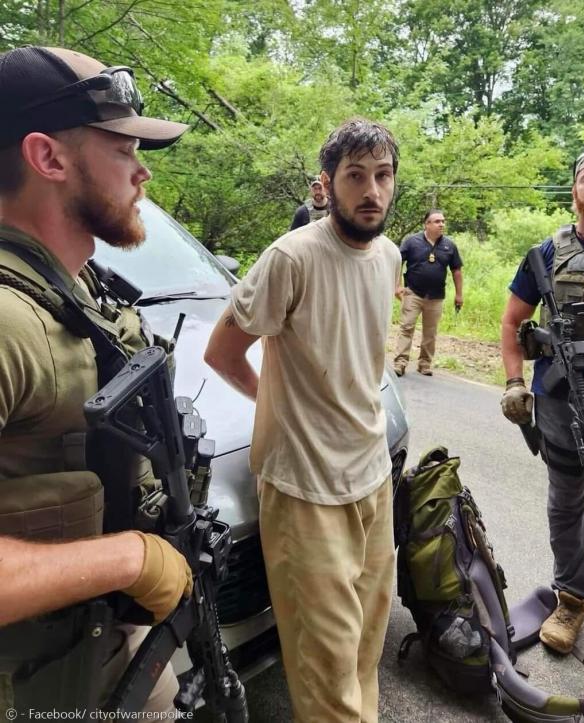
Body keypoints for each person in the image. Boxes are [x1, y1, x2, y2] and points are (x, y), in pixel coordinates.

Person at [0, 46, 192, 713]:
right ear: (48, 158)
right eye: (122, 150)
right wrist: (131, 560)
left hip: (93, 651)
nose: (142, 172)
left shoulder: (79, 285)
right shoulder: (7, 322)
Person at [205, 118, 401, 723]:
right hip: (305, 485)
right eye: (355, 177)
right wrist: (279, 405)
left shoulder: (389, 255)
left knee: (366, 645)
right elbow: (222, 351)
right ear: (327, 183)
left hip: (372, 476)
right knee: (324, 668)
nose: (371, 191)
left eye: (383, 176)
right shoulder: (291, 257)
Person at [500, 146, 584, 655]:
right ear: (573, 191)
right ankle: (570, 599)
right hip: (558, 398)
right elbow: (512, 322)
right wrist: (512, 383)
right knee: (565, 501)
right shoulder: (547, 253)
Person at [393, 209, 463, 377]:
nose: (441, 224)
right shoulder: (411, 242)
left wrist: (459, 294)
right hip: (413, 293)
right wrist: (398, 285)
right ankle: (400, 362)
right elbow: (397, 262)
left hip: (436, 296)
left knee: (430, 332)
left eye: (443, 221)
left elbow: (456, 270)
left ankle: (424, 364)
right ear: (427, 224)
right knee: (407, 327)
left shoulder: (449, 245)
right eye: (437, 221)